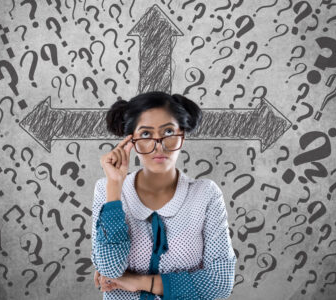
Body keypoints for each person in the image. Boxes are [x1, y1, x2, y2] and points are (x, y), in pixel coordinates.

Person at [91, 91, 237, 299]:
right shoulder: (106, 189)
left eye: (168, 132)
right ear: (130, 141)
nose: (159, 146)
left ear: (182, 135)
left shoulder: (206, 194)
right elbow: (111, 268)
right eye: (146, 134)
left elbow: (219, 282)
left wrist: (138, 282)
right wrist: (115, 186)